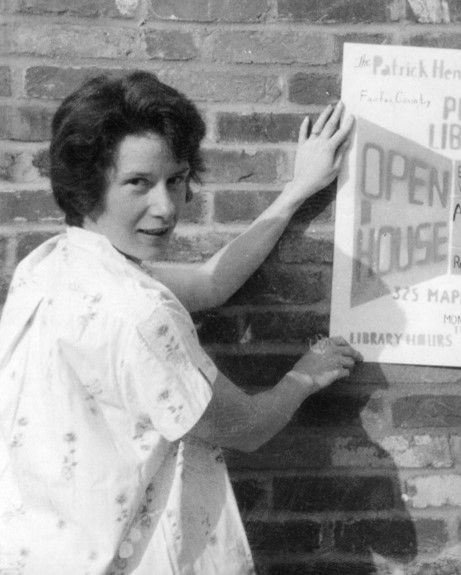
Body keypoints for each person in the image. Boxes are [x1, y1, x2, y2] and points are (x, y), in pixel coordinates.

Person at [0, 70, 362, 574]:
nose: (167, 207)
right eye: (138, 184)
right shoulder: (140, 313)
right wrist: (305, 376)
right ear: (86, 189)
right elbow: (247, 428)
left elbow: (211, 283)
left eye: (176, 179)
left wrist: (297, 191)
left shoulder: (47, 265)